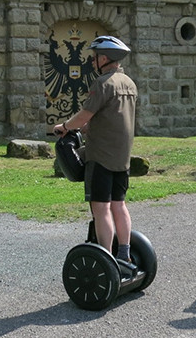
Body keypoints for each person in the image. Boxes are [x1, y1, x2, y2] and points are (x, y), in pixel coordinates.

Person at [53, 36, 138, 273]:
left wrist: (66, 127)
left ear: (103, 58)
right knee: (119, 205)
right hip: (122, 157)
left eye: (94, 57)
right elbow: (110, 117)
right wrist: (84, 127)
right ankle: (125, 253)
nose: (92, 62)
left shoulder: (103, 83)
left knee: (100, 208)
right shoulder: (129, 84)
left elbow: (84, 115)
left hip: (100, 156)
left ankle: (107, 260)